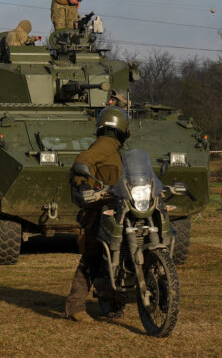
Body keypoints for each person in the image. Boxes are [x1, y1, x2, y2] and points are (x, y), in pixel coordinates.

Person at [65, 106, 129, 322]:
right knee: (93, 255)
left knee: (112, 255)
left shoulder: (117, 149)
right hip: (101, 210)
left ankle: (112, 300)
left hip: (118, 210)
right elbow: (81, 163)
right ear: (123, 128)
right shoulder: (105, 145)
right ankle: (75, 307)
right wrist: (83, 186)